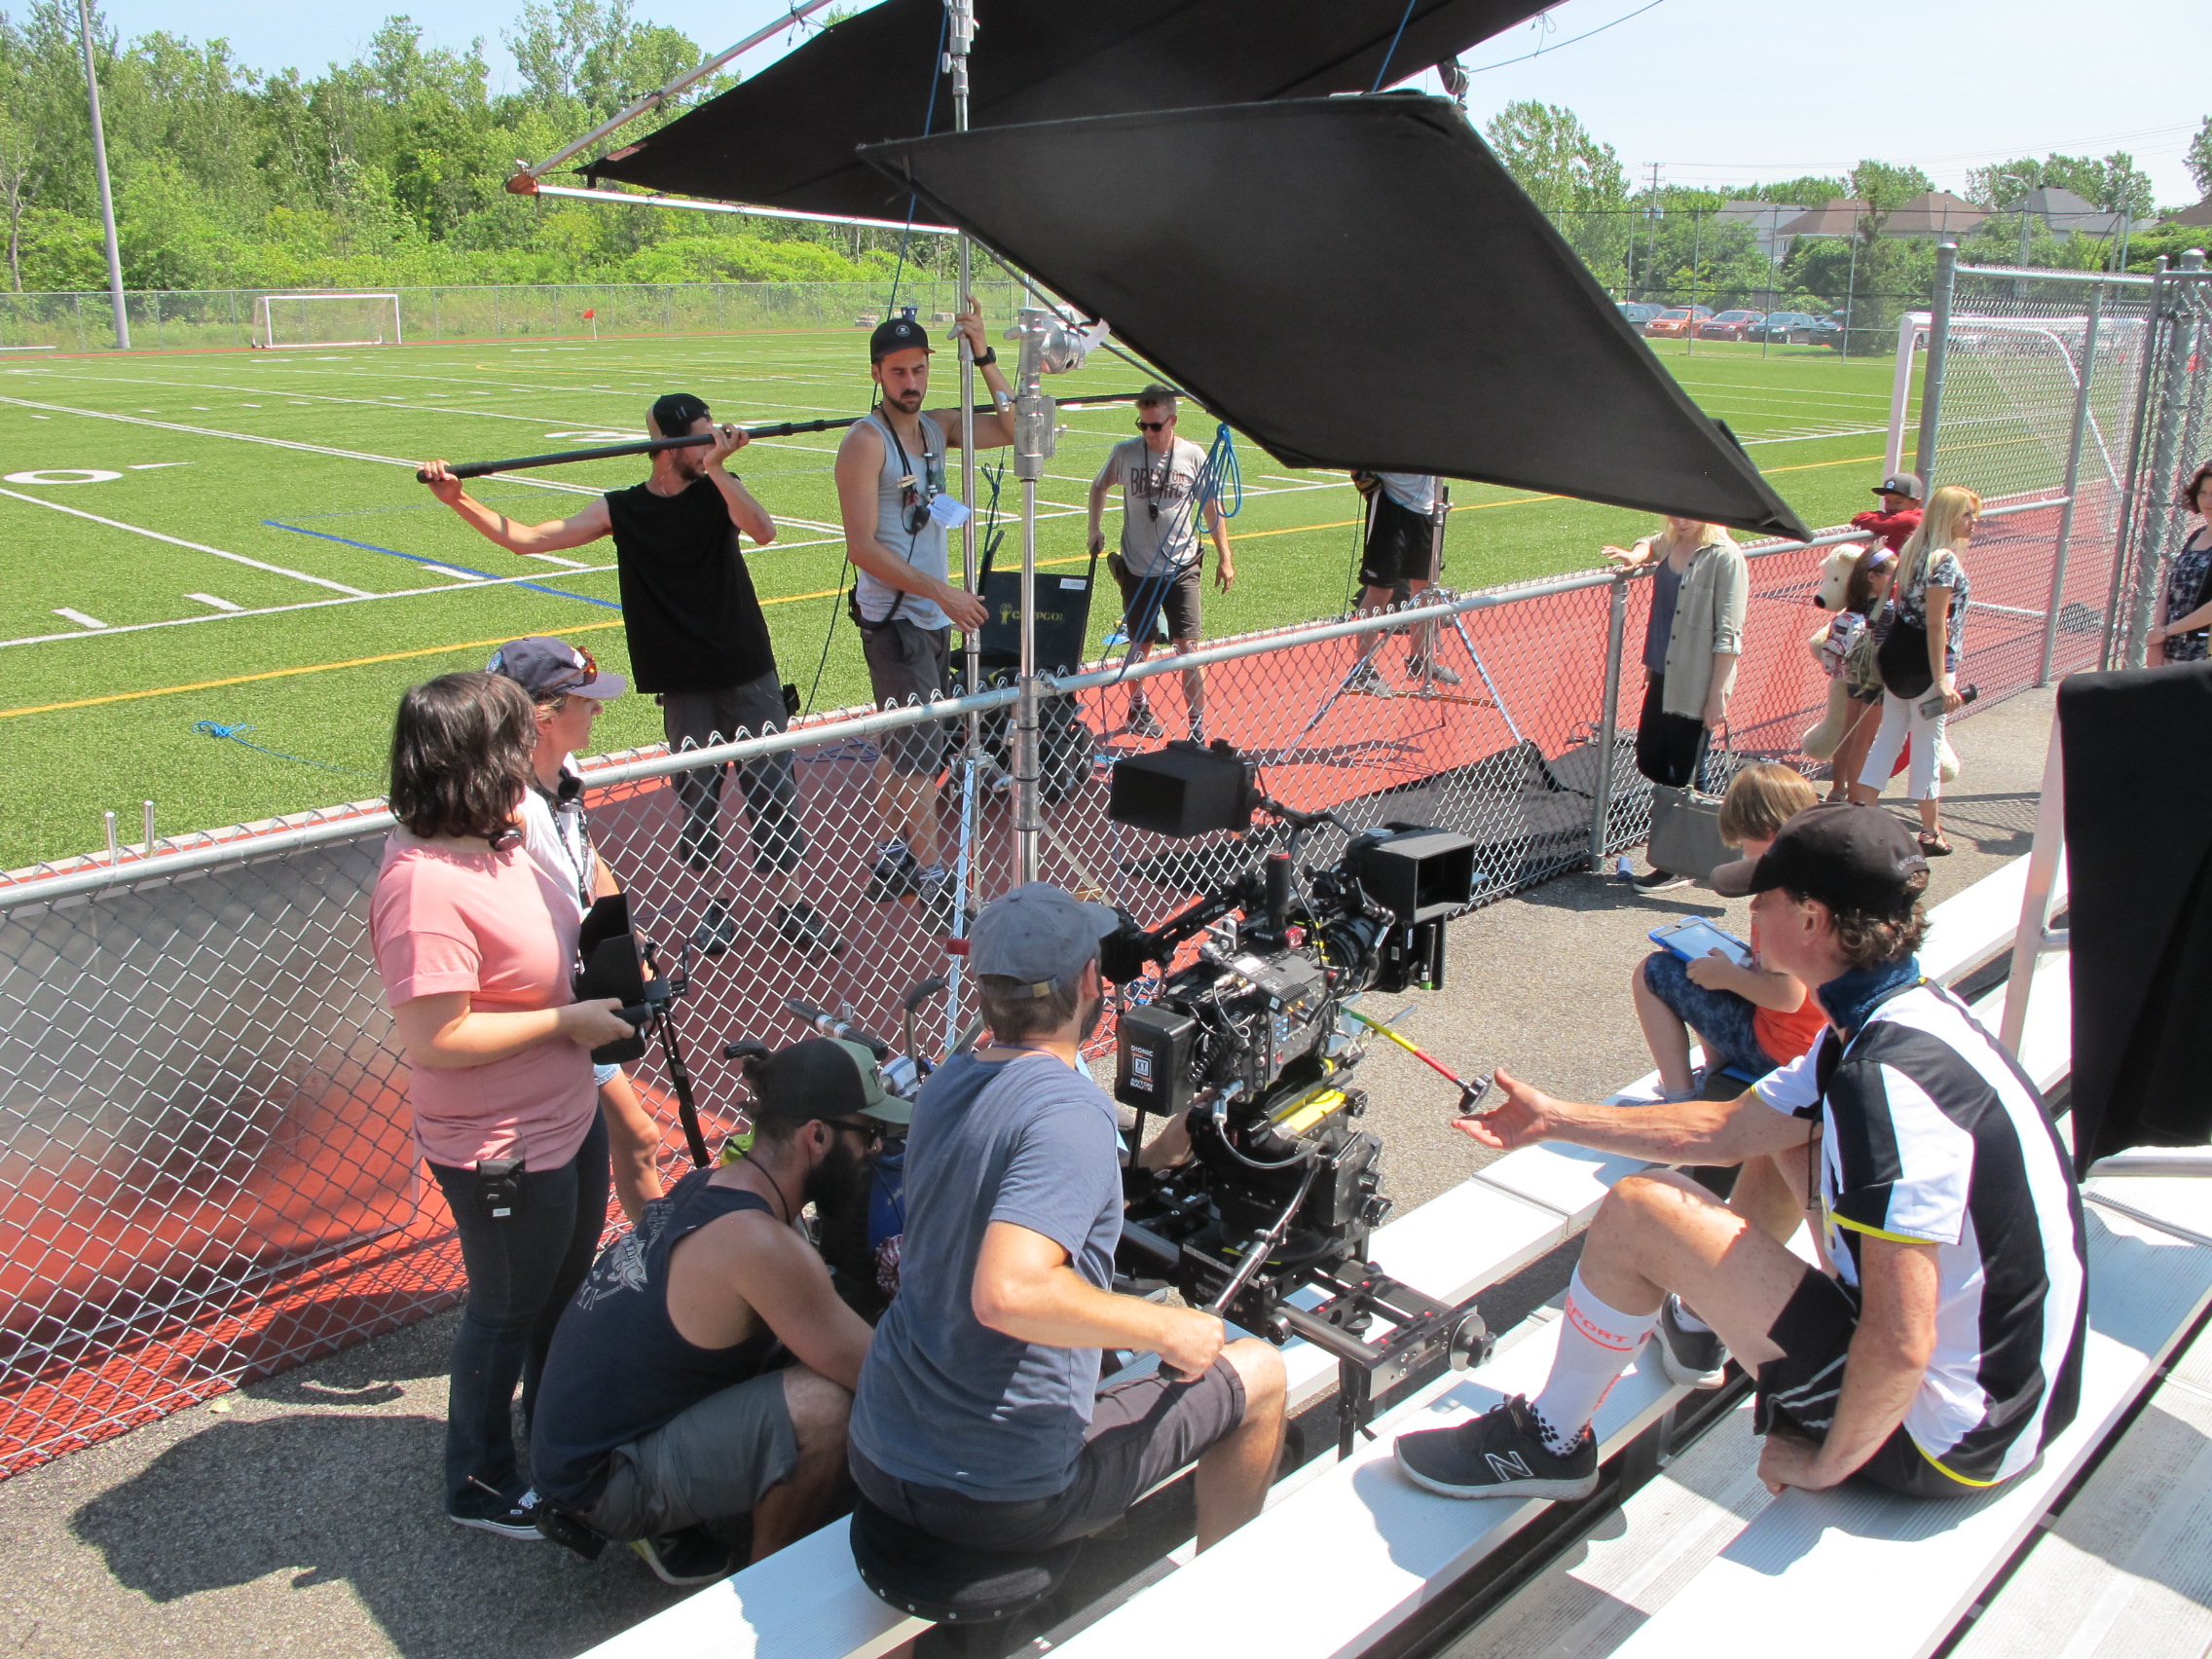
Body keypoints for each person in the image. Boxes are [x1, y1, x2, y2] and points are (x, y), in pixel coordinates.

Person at [1395, 802, 2085, 1503]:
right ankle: (1700, 1324)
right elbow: (1726, 1129)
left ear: (1812, 920)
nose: (1751, 911)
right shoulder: (1905, 1017)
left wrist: (1823, 1464)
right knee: (1787, 1128)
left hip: (1943, 1439)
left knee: (1640, 1210)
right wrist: (1554, 1120)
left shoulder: (1885, 1089)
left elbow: (1901, 1340)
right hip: (2017, 1401)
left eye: (1764, 896)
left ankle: (1548, 1442)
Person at [847, 883, 1288, 1557]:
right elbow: (1011, 1291)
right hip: (995, 1491)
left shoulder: (948, 1084)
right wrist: (1172, 1328)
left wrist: (1153, 1157)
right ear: (1089, 979)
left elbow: (1020, 1192)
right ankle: (1216, 1595)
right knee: (1259, 1369)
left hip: (881, 1447)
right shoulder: (1070, 1113)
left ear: (984, 987)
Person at [419, 392, 843, 963]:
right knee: (696, 796)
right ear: (667, 444)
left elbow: (763, 530)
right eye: (701, 434)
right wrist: (458, 498)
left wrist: (719, 467)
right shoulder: (622, 509)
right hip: (681, 680)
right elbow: (528, 539)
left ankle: (791, 905)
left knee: (773, 788)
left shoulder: (719, 489)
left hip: (746, 668)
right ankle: (715, 905)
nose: (712, 442)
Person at [368, 672, 637, 1537]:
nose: (531, 755)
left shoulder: (505, 833)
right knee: (506, 1308)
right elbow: (436, 1037)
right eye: (516, 741)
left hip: (563, 1109)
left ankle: (554, 1436)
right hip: (501, 1141)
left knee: (562, 1289)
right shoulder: (422, 886)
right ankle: (479, 1482)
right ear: (475, 762)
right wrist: (566, 1021)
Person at [530, 1039, 896, 1585]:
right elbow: (881, 1380)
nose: (874, 1152)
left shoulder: (712, 1184)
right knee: (827, 1408)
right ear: (817, 1136)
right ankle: (769, 1586)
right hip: (601, 1484)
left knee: (808, 1346)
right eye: (868, 1135)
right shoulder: (759, 1244)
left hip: (575, 1447)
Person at [833, 302, 1014, 934]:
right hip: (896, 621)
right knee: (921, 754)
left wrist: (985, 354)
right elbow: (862, 547)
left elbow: (1014, 428)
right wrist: (942, 593)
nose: (910, 382)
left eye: (918, 370)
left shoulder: (937, 429)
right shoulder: (865, 442)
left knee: (903, 748)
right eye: (898, 372)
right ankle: (934, 874)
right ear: (877, 373)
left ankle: (891, 852)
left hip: (932, 616)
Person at [488, 635, 666, 1224]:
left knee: (632, 1140)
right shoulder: (504, 809)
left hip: (573, 997)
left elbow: (587, 859)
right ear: (543, 714)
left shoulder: (564, 771)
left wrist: (625, 937)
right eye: (585, 699)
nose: (598, 709)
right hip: (542, 1014)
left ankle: (647, 1257)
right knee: (575, 1161)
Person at [1631, 762, 1825, 1100]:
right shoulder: (1820, 877)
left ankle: (1680, 1098)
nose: (1739, 849)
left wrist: (1728, 977)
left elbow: (1787, 998)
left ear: (1765, 831)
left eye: (1742, 839)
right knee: (1706, 971)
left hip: (1782, 1052)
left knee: (1653, 971)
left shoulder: (1780, 900)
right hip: (1821, 1043)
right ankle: (1717, 1074)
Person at [1604, 518, 1749, 889]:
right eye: (1675, 514)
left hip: (1696, 680)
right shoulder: (1673, 540)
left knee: (1681, 772)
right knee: (1651, 758)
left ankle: (1675, 862)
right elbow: (1650, 543)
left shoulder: (1725, 557)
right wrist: (1636, 555)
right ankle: (1700, 850)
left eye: (1689, 515)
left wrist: (1717, 695)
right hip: (1663, 672)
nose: (1681, 521)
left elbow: (1729, 633)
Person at [1088, 385, 1235, 741]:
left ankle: (1196, 728)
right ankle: (1138, 706)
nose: (1149, 433)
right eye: (1142, 425)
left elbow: (1211, 506)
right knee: (1142, 643)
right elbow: (1098, 487)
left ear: (1173, 421)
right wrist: (1094, 527)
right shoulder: (1125, 453)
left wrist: (1225, 557)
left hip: (1183, 565)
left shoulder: (1193, 455)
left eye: (1155, 425)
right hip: (1137, 567)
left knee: (1189, 647)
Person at [1850, 484, 1977, 857]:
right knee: (1927, 743)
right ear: (1948, 516)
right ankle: (1930, 830)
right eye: (1967, 514)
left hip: (1899, 656)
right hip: (1928, 663)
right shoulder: (1943, 560)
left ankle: (1864, 813)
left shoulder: (1911, 551)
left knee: (1889, 735)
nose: (1973, 522)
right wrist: (1941, 680)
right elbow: (1937, 624)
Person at [1346, 471, 1461, 695]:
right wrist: (1362, 478)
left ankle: (1420, 660)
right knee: (1381, 590)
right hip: (1390, 506)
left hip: (1426, 508)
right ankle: (1362, 669)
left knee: (1425, 589)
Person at [1806, 546, 1896, 803]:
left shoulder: (1854, 605)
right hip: (1874, 679)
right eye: (1891, 574)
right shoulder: (1887, 609)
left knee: (1848, 730)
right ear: (1872, 576)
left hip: (1853, 675)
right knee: (1864, 738)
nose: (1895, 580)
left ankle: (1838, 788)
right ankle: (1857, 797)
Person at [2148, 459, 2212, 665]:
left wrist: (2166, 632)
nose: (2207, 501)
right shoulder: (2197, 535)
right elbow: (2171, 587)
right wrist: (2157, 638)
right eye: (2203, 493)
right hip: (2174, 649)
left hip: (2202, 656)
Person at [1851, 470, 1923, 555]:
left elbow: (1860, 518)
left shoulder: (1910, 519)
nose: (1891, 507)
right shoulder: (1922, 515)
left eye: (1898, 502)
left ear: (1916, 503)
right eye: (1887, 501)